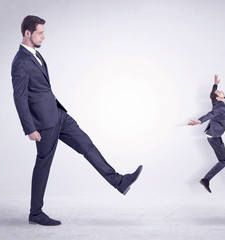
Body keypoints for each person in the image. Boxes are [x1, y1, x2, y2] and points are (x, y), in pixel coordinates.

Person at [11, 15, 143, 226]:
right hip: (44, 123)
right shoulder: (20, 62)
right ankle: (35, 213)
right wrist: (30, 128)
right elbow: (19, 98)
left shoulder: (37, 56)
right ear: (28, 33)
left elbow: (42, 89)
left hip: (59, 114)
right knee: (43, 165)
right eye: (40, 32)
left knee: (86, 145)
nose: (44, 36)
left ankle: (119, 181)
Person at [188, 74, 225, 193]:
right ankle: (206, 180)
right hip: (214, 136)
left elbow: (213, 95)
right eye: (219, 91)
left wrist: (215, 85)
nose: (220, 91)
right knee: (223, 161)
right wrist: (199, 121)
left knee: (224, 159)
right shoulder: (219, 106)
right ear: (218, 97)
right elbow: (210, 115)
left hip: (215, 135)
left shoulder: (218, 102)